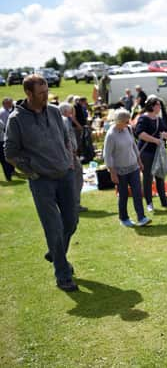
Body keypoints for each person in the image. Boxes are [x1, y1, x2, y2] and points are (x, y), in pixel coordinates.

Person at [4, 75, 79, 292]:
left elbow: (65, 137)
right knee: (53, 228)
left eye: (47, 91)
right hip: (42, 181)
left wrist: (69, 160)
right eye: (41, 93)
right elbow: (10, 152)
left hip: (65, 175)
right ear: (28, 93)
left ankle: (55, 253)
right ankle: (63, 274)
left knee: (71, 222)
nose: (46, 96)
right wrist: (30, 170)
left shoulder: (54, 111)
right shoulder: (16, 119)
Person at [104, 109, 151, 227]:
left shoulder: (128, 129)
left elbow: (134, 146)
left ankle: (141, 217)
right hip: (120, 170)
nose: (128, 123)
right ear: (118, 121)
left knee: (137, 192)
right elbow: (107, 155)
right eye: (126, 121)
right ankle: (124, 218)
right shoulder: (111, 135)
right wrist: (112, 172)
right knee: (123, 195)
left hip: (133, 167)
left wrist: (139, 161)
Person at [135, 97, 167, 211]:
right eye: (158, 105)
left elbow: (166, 131)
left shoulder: (159, 119)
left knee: (160, 176)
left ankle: (164, 201)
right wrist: (155, 140)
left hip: (158, 152)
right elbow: (140, 134)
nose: (160, 107)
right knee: (148, 178)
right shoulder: (143, 118)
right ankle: (149, 203)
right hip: (146, 152)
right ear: (152, 106)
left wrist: (166, 135)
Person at [58, 102, 87, 213]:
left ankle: (72, 204)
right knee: (75, 179)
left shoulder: (63, 120)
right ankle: (74, 205)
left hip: (70, 155)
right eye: (71, 111)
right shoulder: (64, 121)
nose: (72, 113)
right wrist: (71, 154)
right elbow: (66, 139)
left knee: (75, 178)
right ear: (66, 112)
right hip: (70, 156)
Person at [0, 97, 15, 181]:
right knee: (4, 159)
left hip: (3, 137)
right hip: (2, 139)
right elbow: (4, 126)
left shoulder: (6, 111)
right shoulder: (3, 112)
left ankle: (11, 172)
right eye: (10, 103)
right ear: (5, 103)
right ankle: (9, 175)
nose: (11, 104)